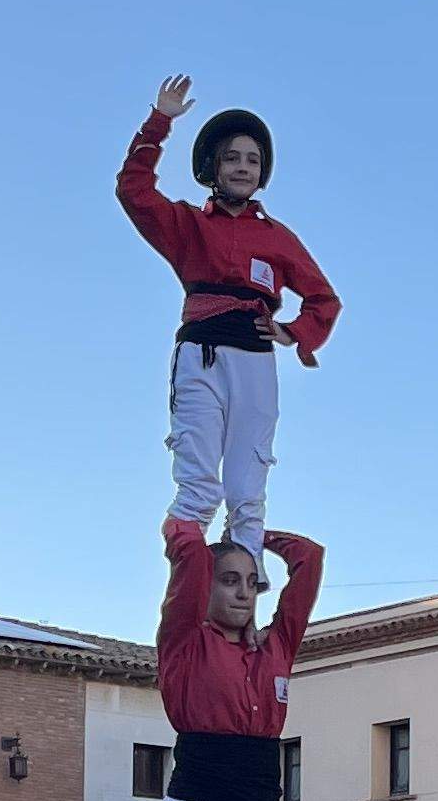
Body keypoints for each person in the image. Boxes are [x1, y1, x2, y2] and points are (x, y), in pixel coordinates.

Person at [118, 74, 339, 548]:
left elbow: (325, 298)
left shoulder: (278, 237)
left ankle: (243, 599)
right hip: (201, 352)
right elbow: (133, 190)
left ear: (263, 172)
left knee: (248, 491)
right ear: (212, 168)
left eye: (253, 160)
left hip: (255, 359)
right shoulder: (187, 225)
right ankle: (187, 589)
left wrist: (293, 331)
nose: (243, 167)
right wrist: (160, 121)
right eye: (232, 158)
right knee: (197, 487)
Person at [151, 516, 322, 801]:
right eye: (229, 580)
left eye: (252, 582)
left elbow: (309, 558)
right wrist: (207, 523)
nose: (244, 593)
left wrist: (253, 532)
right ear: (204, 587)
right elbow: (190, 552)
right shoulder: (185, 641)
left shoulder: (276, 646)